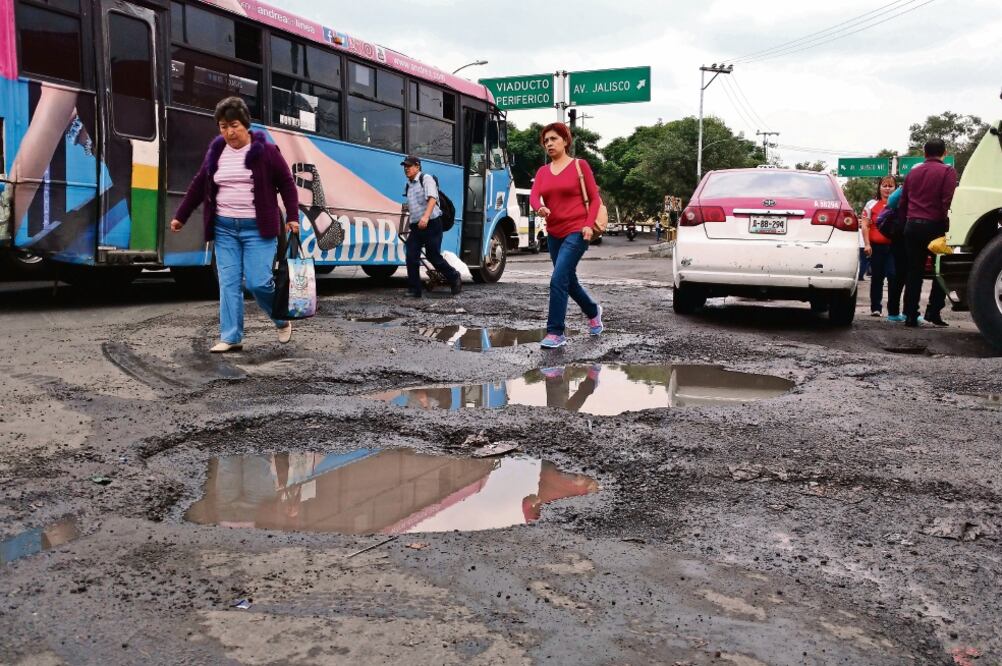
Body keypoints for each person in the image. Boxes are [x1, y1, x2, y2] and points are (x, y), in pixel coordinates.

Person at [170, 97, 300, 352]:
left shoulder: (267, 152)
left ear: (246, 125)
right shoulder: (217, 151)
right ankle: (231, 336)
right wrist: (181, 215)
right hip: (224, 228)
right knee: (228, 282)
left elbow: (286, 183)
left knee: (258, 282)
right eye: (222, 126)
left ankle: (281, 319)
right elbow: (199, 184)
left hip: (258, 230)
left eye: (234, 125)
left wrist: (293, 217)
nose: (229, 132)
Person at [529, 123, 604, 349]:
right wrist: (539, 208)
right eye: (546, 141)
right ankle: (593, 311)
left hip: (578, 230)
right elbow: (534, 197)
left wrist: (589, 225)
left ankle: (555, 332)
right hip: (554, 233)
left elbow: (595, 199)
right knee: (568, 280)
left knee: (557, 279)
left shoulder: (579, 166)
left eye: (553, 139)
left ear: (565, 140)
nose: (549, 144)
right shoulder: (542, 172)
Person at [899, 138, 957, 327]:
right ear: (944, 153)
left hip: (912, 226)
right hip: (936, 227)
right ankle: (933, 311)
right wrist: (947, 225)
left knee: (913, 271)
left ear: (924, 153)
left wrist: (904, 224)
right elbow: (946, 201)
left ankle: (910, 315)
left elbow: (903, 203)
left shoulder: (912, 174)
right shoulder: (948, 171)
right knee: (940, 270)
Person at [401, 155, 462, 298]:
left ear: (417, 166)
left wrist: (425, 217)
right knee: (411, 255)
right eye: (405, 166)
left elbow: (432, 198)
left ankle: (454, 277)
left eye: (409, 166)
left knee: (433, 256)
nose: (406, 169)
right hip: (416, 226)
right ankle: (415, 289)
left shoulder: (426, 179)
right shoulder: (409, 184)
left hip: (432, 223)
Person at [859, 176, 899, 317]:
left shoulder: (900, 203)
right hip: (876, 247)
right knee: (877, 278)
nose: (887, 189)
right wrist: (867, 244)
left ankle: (893, 310)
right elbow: (865, 225)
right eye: (884, 185)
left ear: (895, 188)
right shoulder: (871, 204)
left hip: (894, 248)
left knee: (894, 277)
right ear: (879, 187)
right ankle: (876, 308)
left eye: (891, 186)